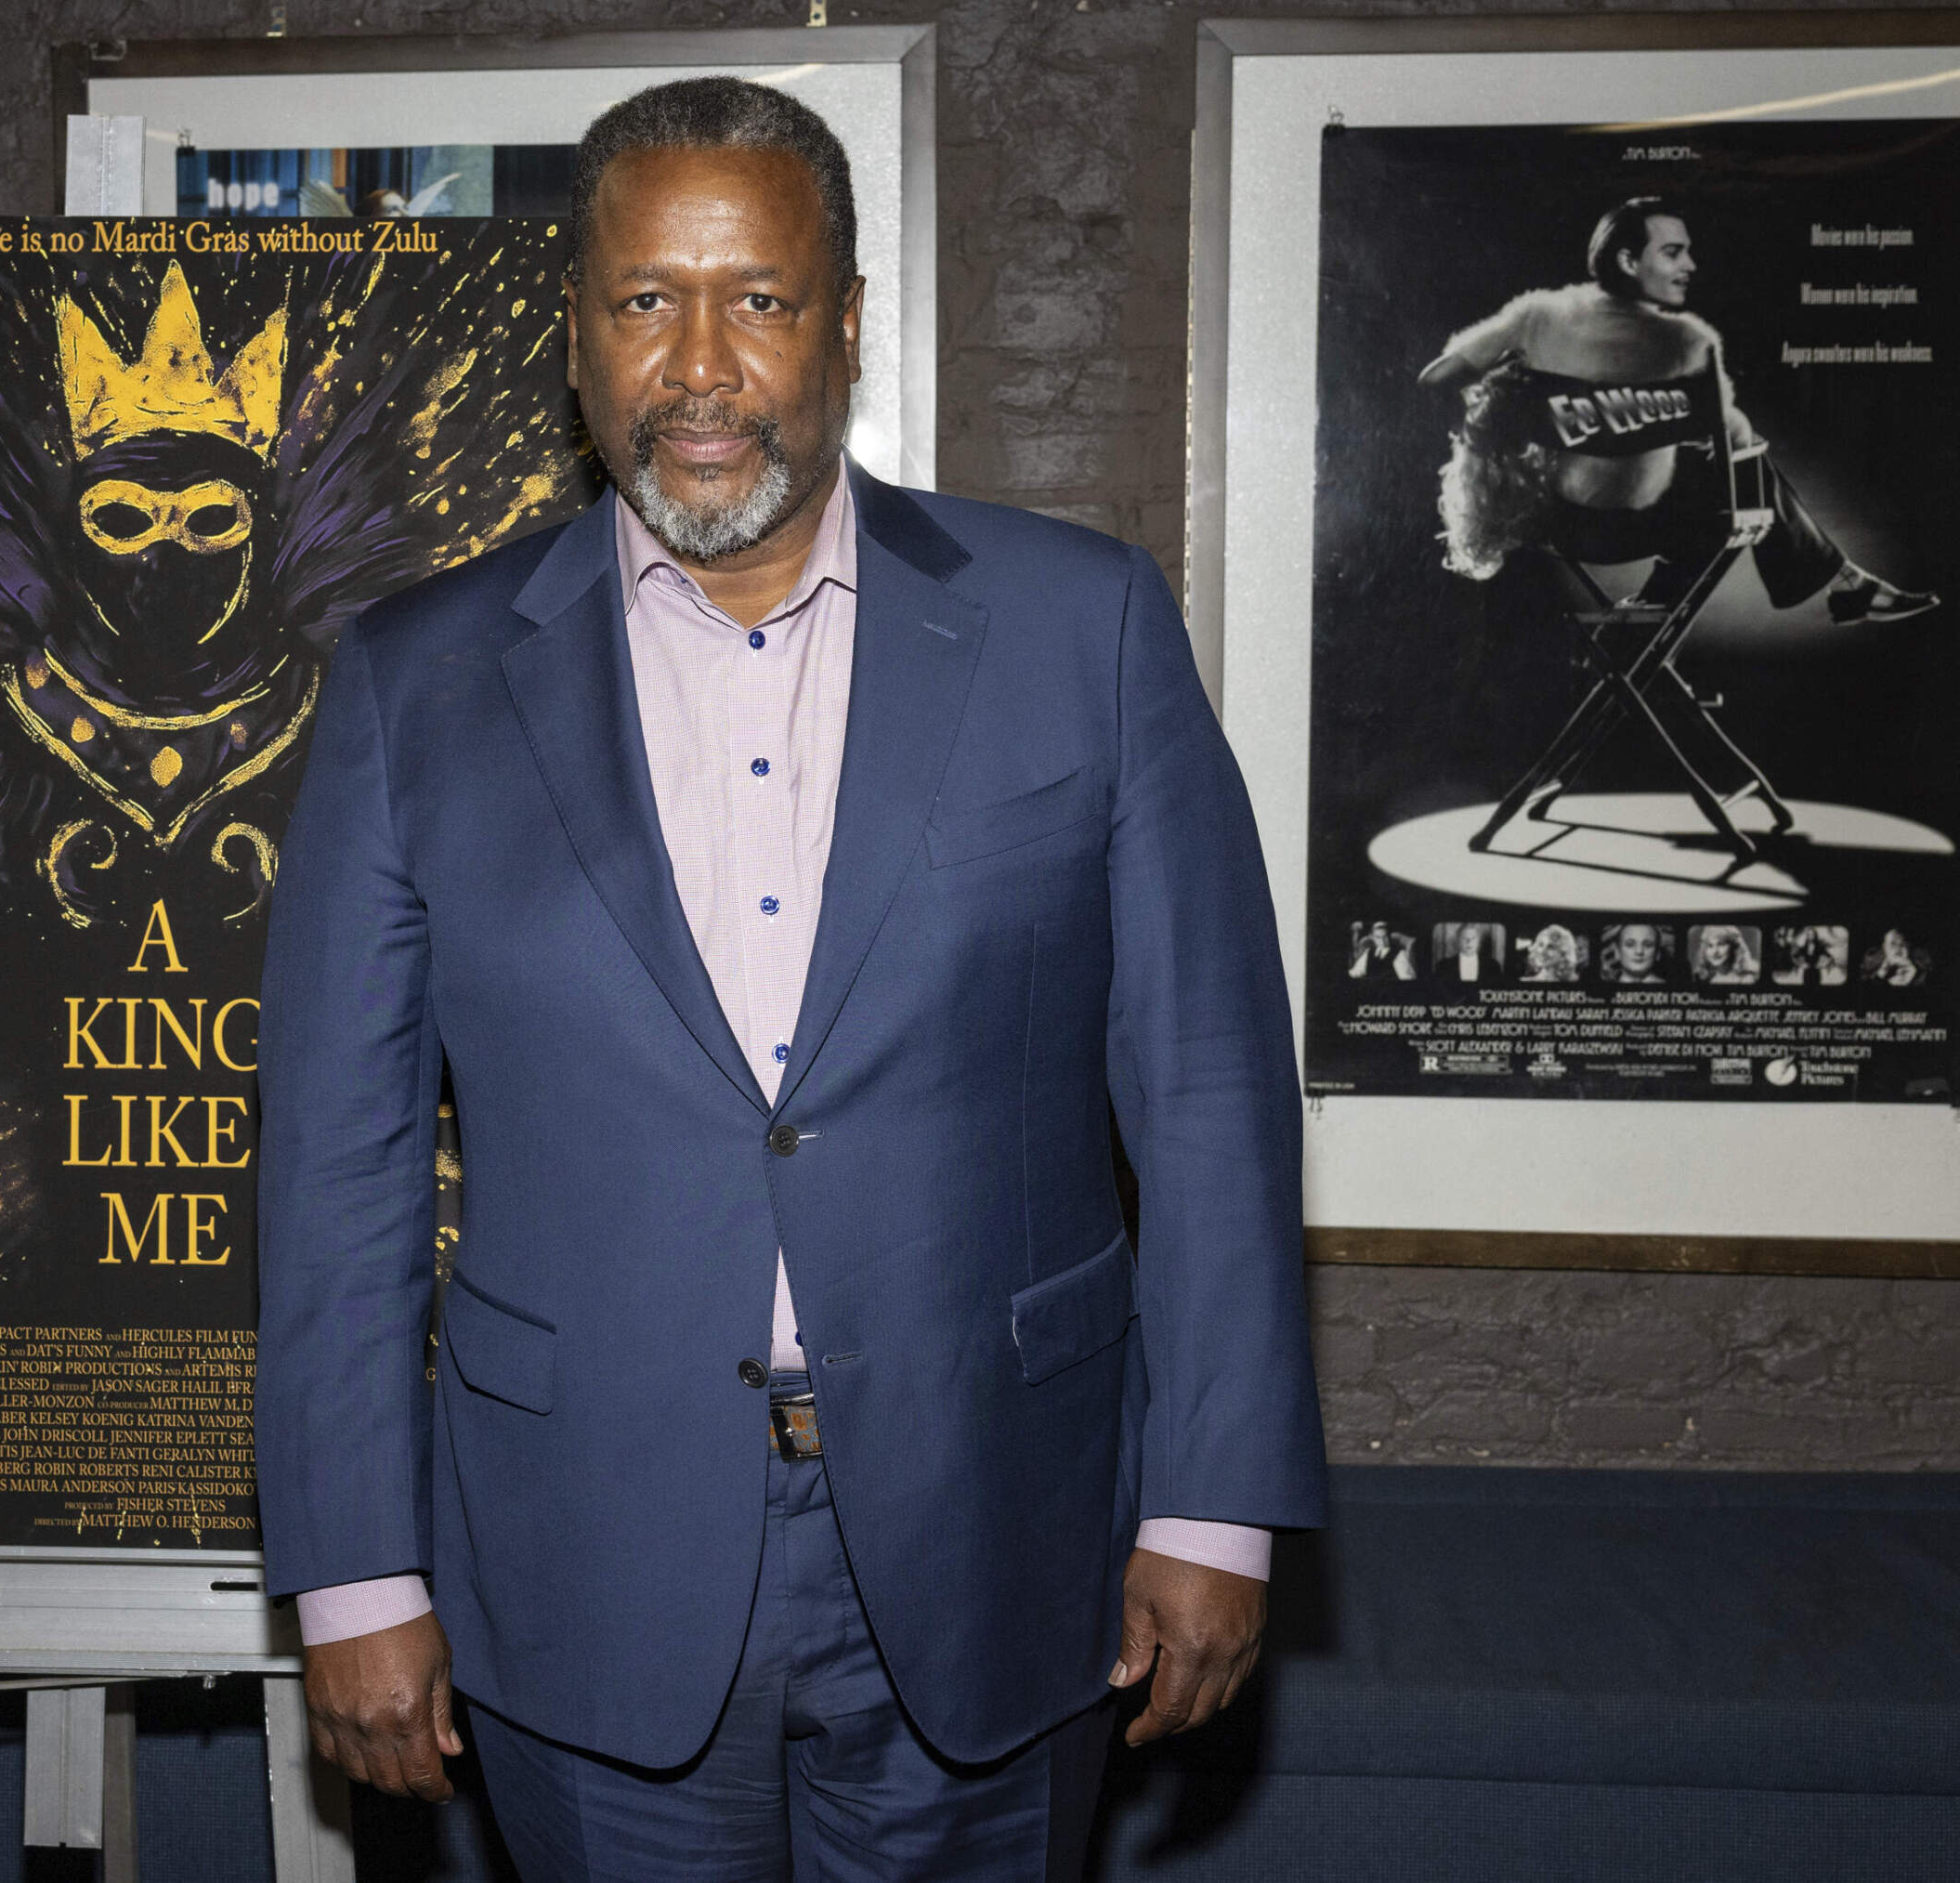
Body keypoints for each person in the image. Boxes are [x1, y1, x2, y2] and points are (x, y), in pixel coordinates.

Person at [255, 78, 1324, 1879]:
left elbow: (1210, 1088)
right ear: (575, 335)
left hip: (1002, 1530)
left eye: (757, 297)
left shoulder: (1086, 626)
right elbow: (333, 1166)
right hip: (582, 1553)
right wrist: (355, 1569)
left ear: (844, 321)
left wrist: (1217, 1502)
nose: (699, 364)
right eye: (644, 300)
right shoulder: (411, 682)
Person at [1420, 196, 1936, 622]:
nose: (1690, 265)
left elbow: (1435, 380)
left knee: (1719, 475)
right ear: (1629, 261)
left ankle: (1831, 584)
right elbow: (1739, 441)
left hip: (1551, 528)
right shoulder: (1686, 341)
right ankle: (1845, 583)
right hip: (1637, 529)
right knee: (1744, 475)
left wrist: (1492, 423)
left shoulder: (1535, 315)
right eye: (1673, 253)